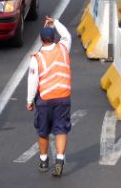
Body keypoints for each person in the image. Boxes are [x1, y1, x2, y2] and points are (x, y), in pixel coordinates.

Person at [27, 16, 72, 177]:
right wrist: (56, 23)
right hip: (63, 97)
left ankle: (44, 160)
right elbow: (66, 35)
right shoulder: (63, 48)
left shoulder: (37, 58)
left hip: (45, 100)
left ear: (40, 39)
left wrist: (29, 101)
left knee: (43, 131)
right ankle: (59, 160)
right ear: (54, 38)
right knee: (61, 130)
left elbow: (33, 81)